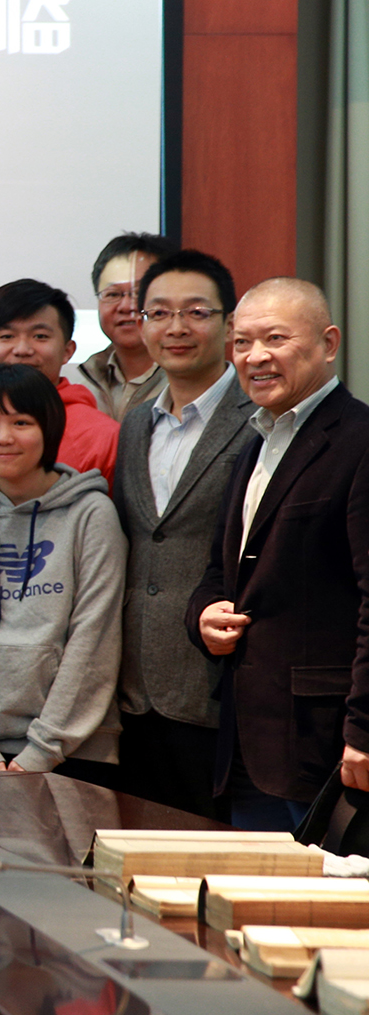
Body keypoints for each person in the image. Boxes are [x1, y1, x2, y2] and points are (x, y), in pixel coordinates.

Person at [186, 278, 369, 830]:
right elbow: (222, 571)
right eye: (242, 342)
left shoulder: (359, 440)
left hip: (329, 746)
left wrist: (364, 730)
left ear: (328, 343)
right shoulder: (255, 446)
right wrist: (203, 615)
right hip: (248, 741)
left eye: (275, 338)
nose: (255, 356)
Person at [0, 365, 124, 784]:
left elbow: (94, 639)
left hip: (76, 747)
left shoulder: (92, 514)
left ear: (48, 427)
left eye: (21, 423)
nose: (2, 437)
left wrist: (42, 751)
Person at [113, 249, 251, 818]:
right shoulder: (135, 423)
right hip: (134, 690)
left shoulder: (260, 419)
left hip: (220, 685)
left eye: (196, 312)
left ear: (229, 323)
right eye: (159, 313)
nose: (176, 328)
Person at [0, 278, 119, 482]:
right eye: (7, 336)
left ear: (67, 351)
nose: (22, 350)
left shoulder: (102, 435)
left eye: (40, 336)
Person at [82, 233, 178, 423]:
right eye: (112, 294)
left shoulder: (189, 381)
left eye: (140, 293)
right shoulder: (83, 385)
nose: (126, 306)